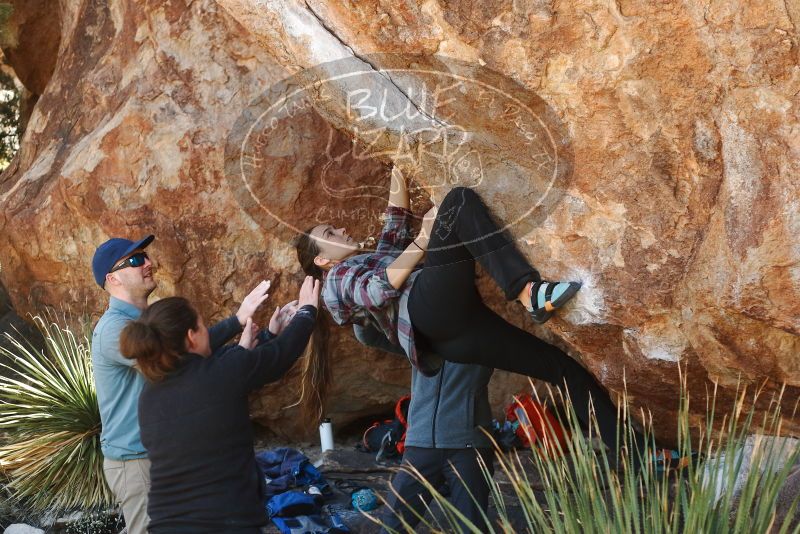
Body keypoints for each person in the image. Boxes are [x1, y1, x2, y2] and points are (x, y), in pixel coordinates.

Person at [295, 168, 644, 472]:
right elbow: (377, 290)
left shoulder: (370, 258)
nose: (339, 229)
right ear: (323, 261)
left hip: (455, 338)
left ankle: (632, 456)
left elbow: (395, 218)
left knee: (561, 368)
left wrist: (400, 159)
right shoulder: (337, 279)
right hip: (427, 310)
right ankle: (527, 291)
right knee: (458, 202)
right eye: (330, 234)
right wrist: (424, 238)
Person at [91, 236, 288, 533]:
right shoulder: (114, 330)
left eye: (144, 255)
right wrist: (237, 324)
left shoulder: (145, 321)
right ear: (112, 279)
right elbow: (183, 361)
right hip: (136, 462)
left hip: (162, 457)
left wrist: (256, 338)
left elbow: (193, 365)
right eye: (134, 260)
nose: (147, 263)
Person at [119, 276, 320, 533]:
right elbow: (281, 354)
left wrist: (264, 334)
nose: (207, 332)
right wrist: (307, 311)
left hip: (166, 525)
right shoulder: (222, 373)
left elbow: (213, 371)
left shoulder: (149, 395)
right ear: (191, 337)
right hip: (225, 523)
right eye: (203, 327)